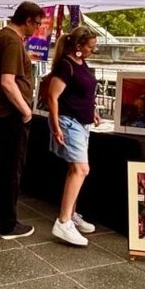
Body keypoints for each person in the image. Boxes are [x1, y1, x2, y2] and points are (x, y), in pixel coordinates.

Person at [0, 1, 44, 239]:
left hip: (1, 112)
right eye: (37, 24)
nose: (37, 29)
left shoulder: (2, 36)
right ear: (28, 20)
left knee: (3, 166)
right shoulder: (11, 41)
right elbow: (7, 82)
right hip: (10, 114)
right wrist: (26, 111)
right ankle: (8, 223)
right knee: (11, 168)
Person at [46, 26, 99, 246]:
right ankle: (64, 220)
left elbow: (84, 92)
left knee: (74, 169)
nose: (93, 50)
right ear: (78, 47)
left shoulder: (80, 63)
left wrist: (92, 110)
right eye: (90, 47)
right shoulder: (66, 65)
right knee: (81, 169)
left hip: (81, 122)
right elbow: (52, 96)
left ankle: (71, 214)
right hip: (70, 122)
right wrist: (56, 125)